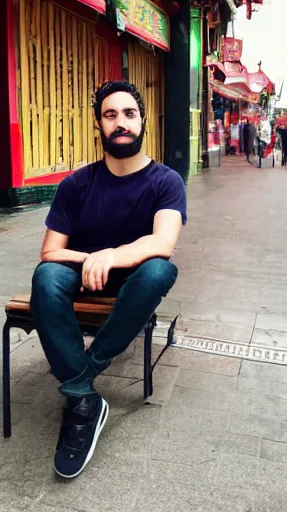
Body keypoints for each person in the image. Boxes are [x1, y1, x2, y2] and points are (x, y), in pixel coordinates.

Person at [30, 80, 187, 479]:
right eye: (110, 115)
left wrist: (113, 256)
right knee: (47, 277)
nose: (121, 123)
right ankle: (86, 402)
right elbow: (51, 251)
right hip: (83, 276)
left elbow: (163, 243)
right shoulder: (76, 184)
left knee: (158, 270)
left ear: (142, 121)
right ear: (98, 125)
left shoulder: (166, 181)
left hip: (133, 281)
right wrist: (91, 259)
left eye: (129, 114)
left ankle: (83, 378)